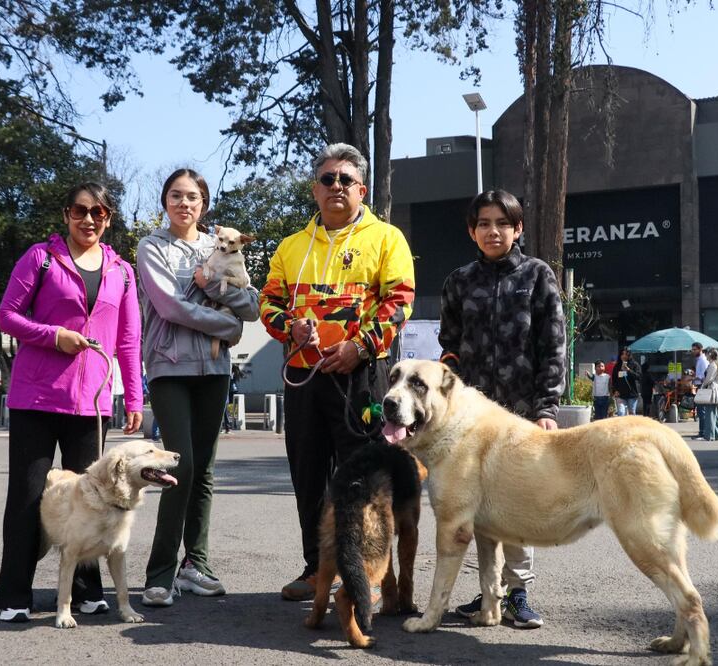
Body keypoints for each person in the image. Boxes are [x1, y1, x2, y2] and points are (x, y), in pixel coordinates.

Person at [259, 143, 415, 602]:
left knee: (362, 479)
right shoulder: (291, 247)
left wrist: (360, 346)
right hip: (305, 379)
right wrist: (290, 326)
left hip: (361, 377)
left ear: (361, 189)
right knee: (308, 476)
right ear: (315, 189)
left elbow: (399, 301)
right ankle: (317, 568)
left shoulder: (386, 238)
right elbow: (267, 303)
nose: (337, 187)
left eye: (346, 180)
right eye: (327, 179)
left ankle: (366, 573)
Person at [0, 182, 143, 623]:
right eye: (80, 210)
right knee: (26, 496)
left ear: (109, 218)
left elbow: (129, 339)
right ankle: (14, 594)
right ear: (66, 215)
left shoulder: (122, 271)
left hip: (92, 403)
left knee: (93, 498)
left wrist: (133, 394)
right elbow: (7, 315)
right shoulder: (39, 258)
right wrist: (53, 335)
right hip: (36, 397)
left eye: (99, 212)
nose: (89, 219)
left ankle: (85, 591)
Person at [439, 189, 566, 630]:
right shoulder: (459, 281)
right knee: (480, 506)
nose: (493, 231)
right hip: (471, 420)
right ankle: (490, 592)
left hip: (522, 412)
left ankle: (518, 593)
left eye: (502, 224)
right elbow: (449, 349)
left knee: (517, 504)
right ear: (472, 231)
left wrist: (546, 406)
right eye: (484, 224)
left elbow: (553, 346)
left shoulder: (537, 275)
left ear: (518, 229)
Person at [138, 168, 260, 608]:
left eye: (192, 197)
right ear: (165, 201)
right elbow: (170, 305)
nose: (184, 203)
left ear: (203, 204)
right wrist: (226, 323)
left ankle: (197, 565)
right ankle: (159, 572)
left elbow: (252, 305)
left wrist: (224, 300)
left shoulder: (220, 243)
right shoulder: (151, 246)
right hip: (169, 365)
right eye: (176, 195)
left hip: (214, 369)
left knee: (204, 467)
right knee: (181, 462)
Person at [693, 348, 718, 441]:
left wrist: (702, 386)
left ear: (710, 355)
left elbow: (708, 379)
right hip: (714, 390)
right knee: (713, 414)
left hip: (711, 390)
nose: (705, 355)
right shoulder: (717, 364)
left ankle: (709, 435)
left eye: (706, 354)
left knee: (709, 414)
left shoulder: (712, 365)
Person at [611, 348, 641, 416]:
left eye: (626, 354)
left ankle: (632, 426)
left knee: (632, 414)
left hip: (632, 394)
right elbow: (614, 380)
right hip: (620, 394)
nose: (624, 356)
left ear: (629, 355)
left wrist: (629, 370)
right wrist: (615, 390)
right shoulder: (617, 366)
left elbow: (639, 377)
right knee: (621, 413)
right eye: (622, 354)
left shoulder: (635, 365)